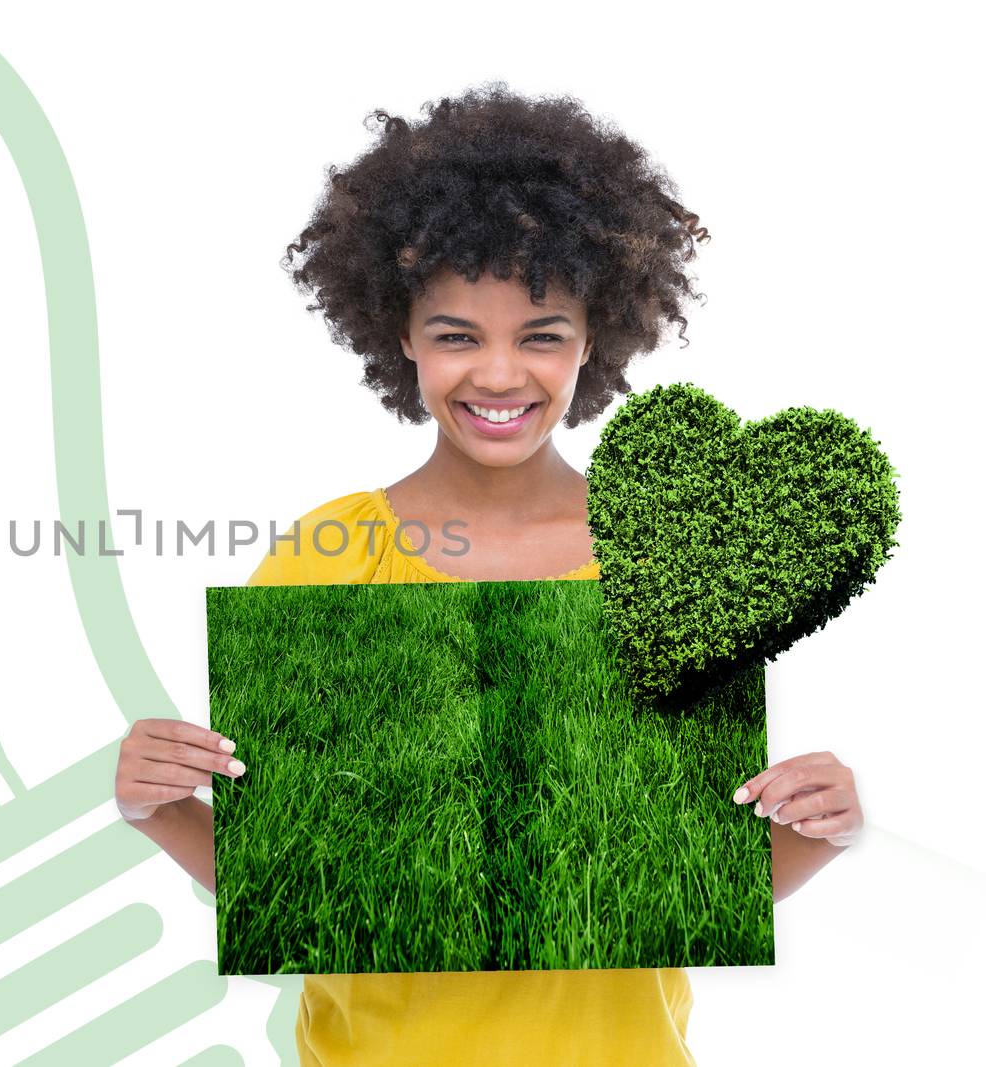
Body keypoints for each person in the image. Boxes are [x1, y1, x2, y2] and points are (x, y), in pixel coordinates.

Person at [114, 82, 864, 1066]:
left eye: (540, 334)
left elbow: (680, 883)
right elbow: (293, 881)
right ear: (401, 337)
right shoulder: (325, 554)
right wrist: (157, 808)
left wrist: (827, 828)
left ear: (595, 337)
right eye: (457, 334)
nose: (500, 374)